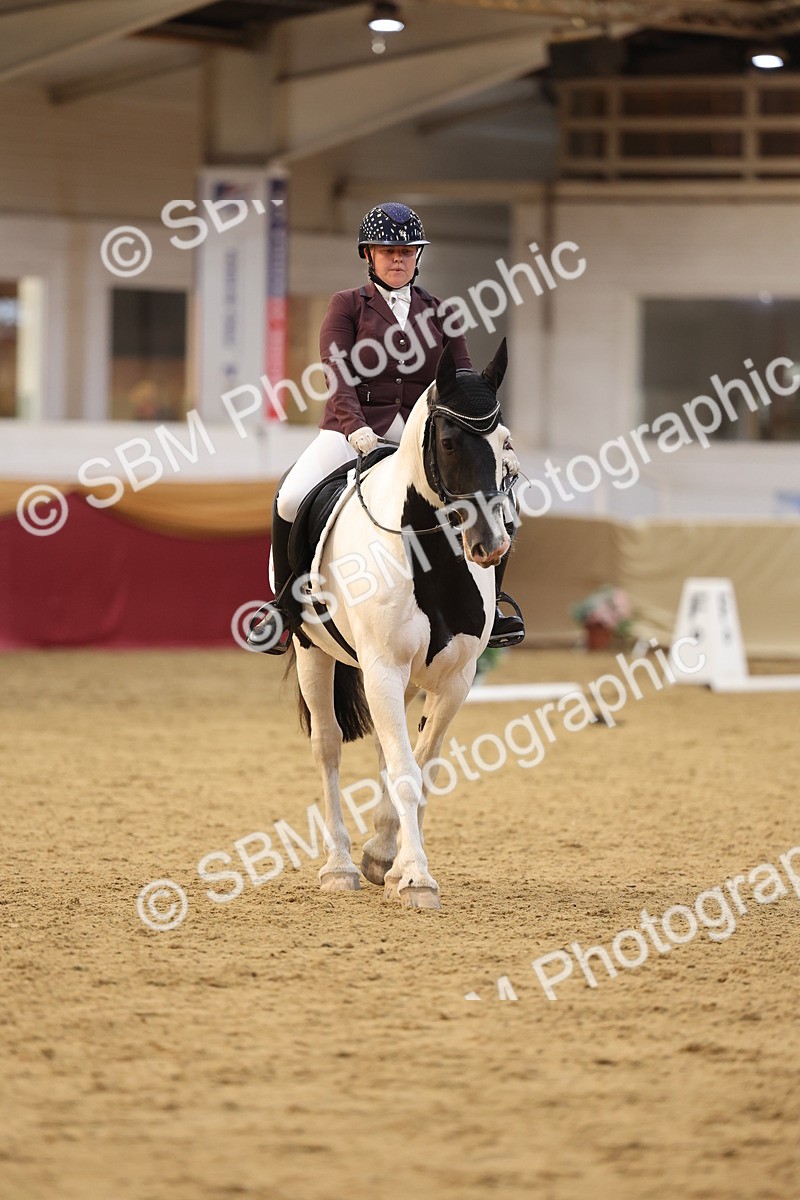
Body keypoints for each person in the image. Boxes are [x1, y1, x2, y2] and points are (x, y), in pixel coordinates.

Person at [250, 201, 525, 654]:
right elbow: (336, 373)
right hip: (350, 431)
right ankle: (285, 606)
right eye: (387, 251)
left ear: (418, 256)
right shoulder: (346, 306)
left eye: (407, 251)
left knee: (500, 504)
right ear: (368, 255)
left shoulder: (443, 311)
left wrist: (496, 439)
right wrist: (354, 426)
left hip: (422, 440)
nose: (398, 259)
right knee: (293, 497)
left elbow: (466, 386)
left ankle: (491, 608)